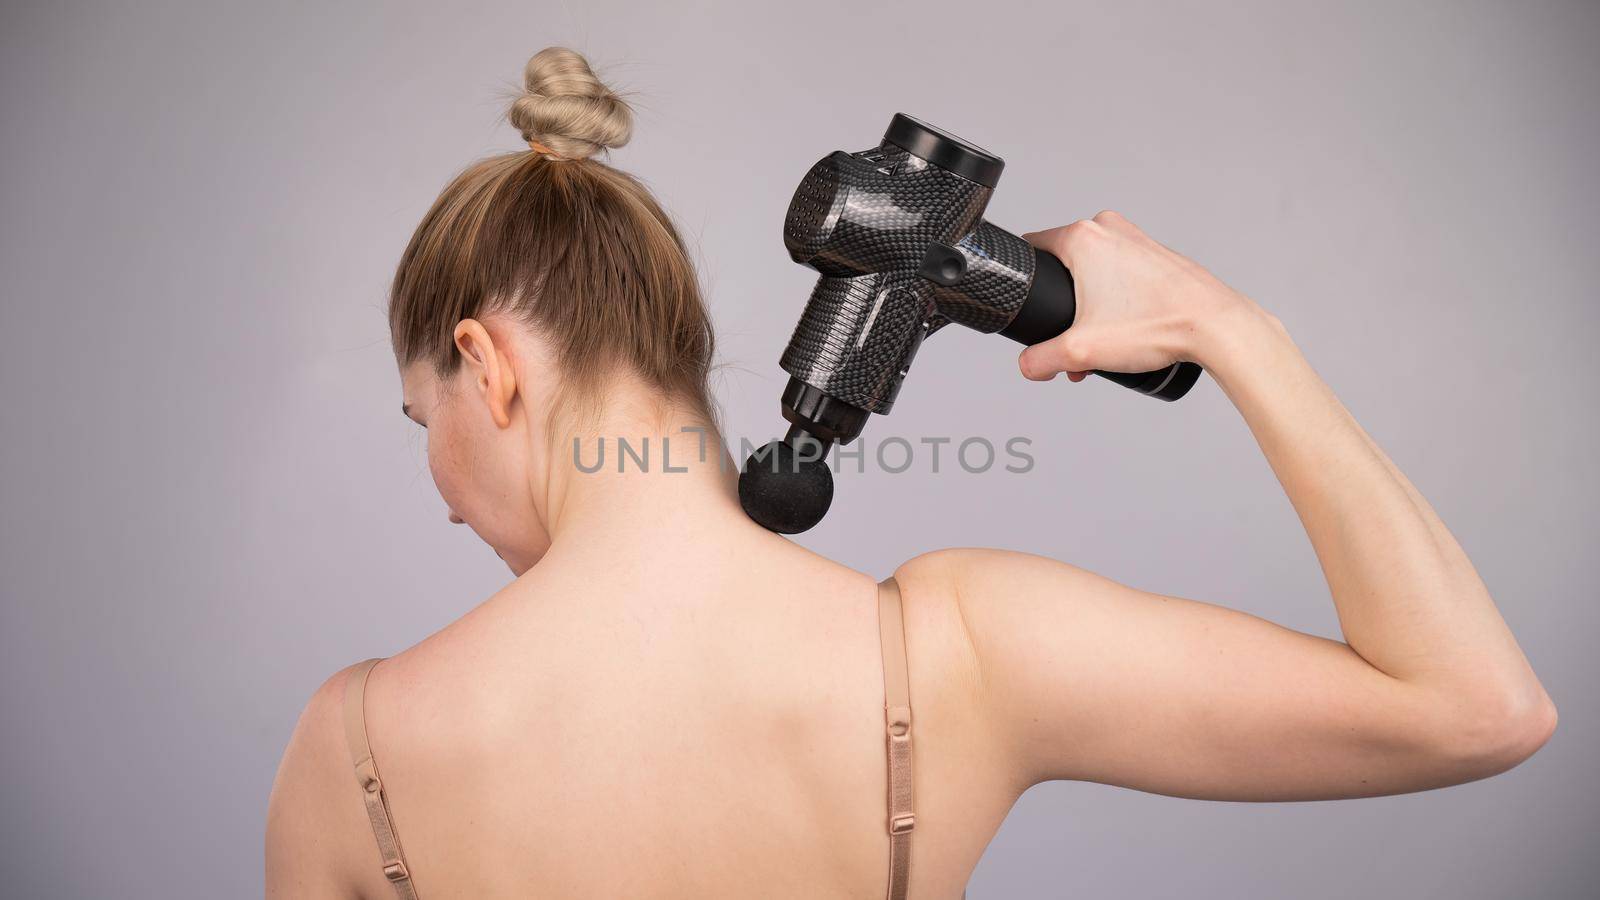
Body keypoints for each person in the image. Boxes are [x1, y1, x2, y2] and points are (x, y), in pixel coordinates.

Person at [265, 46, 1556, 900]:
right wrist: (1235, 332)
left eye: (416, 418)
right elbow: (1479, 709)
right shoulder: (957, 653)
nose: (438, 489)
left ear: (485, 367)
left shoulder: (354, 746)